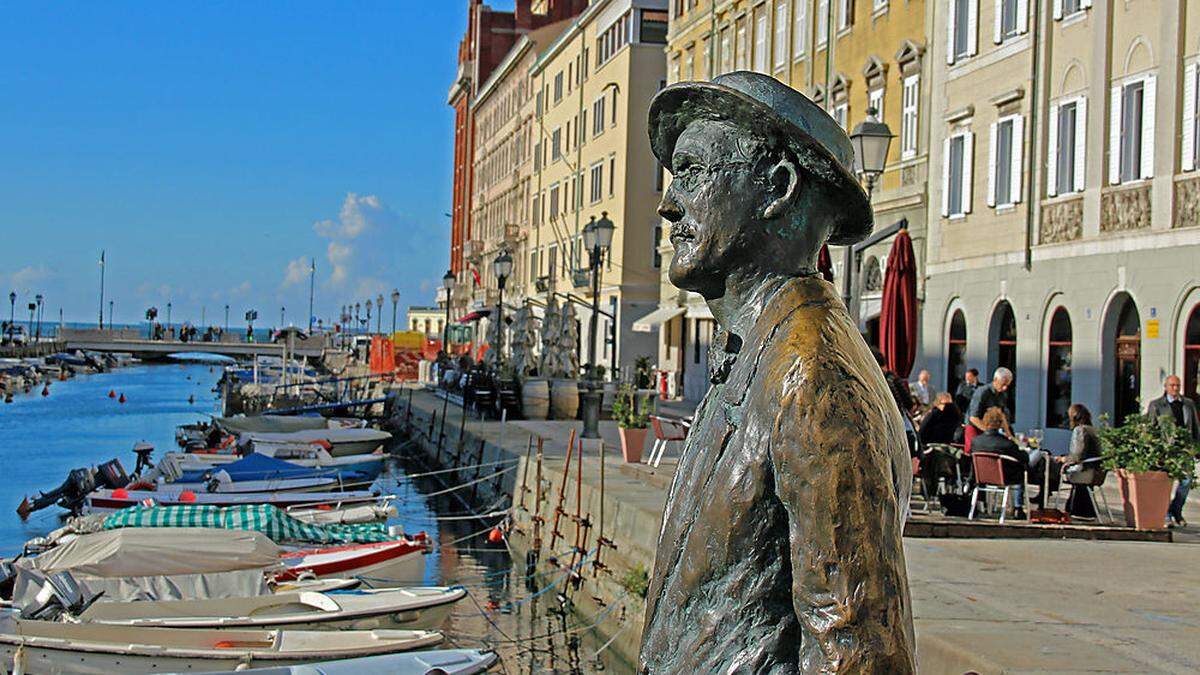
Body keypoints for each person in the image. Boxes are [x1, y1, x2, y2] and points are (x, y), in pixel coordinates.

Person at [638, 71, 915, 672]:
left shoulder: (812, 377)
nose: (667, 204)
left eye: (691, 173)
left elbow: (856, 650)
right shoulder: (759, 353)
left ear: (777, 189)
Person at [1145, 375, 1198, 527]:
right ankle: (1167, 514)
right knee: (1166, 484)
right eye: (1172, 385)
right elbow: (1151, 428)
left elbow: (1194, 427)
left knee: (1186, 482)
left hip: (1184, 450)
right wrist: (1153, 449)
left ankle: (1176, 509)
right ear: (1166, 387)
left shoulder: (1188, 404)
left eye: (1178, 385)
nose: (1175, 388)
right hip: (1166, 450)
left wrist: (1196, 447)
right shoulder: (1157, 405)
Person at [965, 367, 1014, 454]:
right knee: (974, 453)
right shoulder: (982, 392)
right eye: (1003, 384)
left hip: (990, 429)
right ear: (995, 379)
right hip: (975, 427)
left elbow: (1001, 415)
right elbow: (973, 417)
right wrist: (988, 431)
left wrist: (1008, 434)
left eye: (1007, 385)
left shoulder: (1002, 395)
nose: (1005, 388)